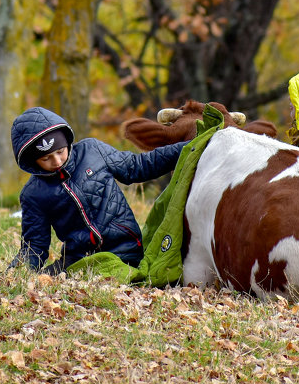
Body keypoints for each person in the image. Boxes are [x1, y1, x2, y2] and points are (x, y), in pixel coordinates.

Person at [12, 106, 188, 274]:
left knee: (116, 275)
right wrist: (14, 275)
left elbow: (138, 167)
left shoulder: (92, 151)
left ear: (66, 142)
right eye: (46, 158)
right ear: (32, 161)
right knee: (47, 281)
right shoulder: (32, 194)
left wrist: (187, 147)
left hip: (124, 250)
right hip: (79, 260)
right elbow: (34, 246)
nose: (57, 161)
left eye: (60, 151)